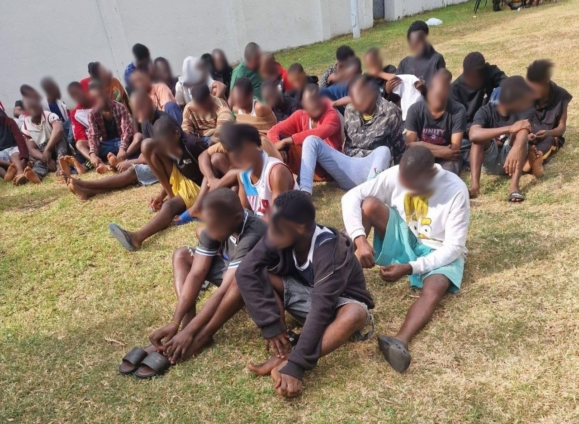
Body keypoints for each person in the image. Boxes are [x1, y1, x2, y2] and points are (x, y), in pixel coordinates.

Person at [341, 146, 469, 373]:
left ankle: (399, 342)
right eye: (403, 182)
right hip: (406, 236)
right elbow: (351, 196)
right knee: (369, 205)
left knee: (436, 286)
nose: (405, 187)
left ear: (430, 175)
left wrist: (411, 267)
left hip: (438, 248)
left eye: (412, 186)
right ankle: (340, 283)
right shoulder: (398, 175)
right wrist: (360, 240)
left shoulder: (455, 190)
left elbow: (454, 247)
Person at [236, 191, 374, 398]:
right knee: (259, 273)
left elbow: (321, 309)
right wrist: (270, 325)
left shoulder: (329, 250)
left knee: (355, 313)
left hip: (338, 306)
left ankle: (291, 354)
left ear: (299, 228)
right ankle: (287, 344)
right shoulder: (282, 235)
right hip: (310, 300)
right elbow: (246, 270)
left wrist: (295, 365)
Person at [133, 189, 268, 377]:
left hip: (260, 286)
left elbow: (224, 290)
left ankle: (202, 337)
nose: (209, 230)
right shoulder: (217, 222)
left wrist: (191, 333)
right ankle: (185, 326)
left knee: (239, 281)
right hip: (230, 270)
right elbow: (197, 274)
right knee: (182, 255)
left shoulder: (254, 233)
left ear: (236, 218)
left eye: (214, 226)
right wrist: (175, 322)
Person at [108, 116, 206, 251]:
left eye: (165, 142)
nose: (164, 147)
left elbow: (211, 174)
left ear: (177, 134)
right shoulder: (171, 144)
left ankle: (136, 238)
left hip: (198, 187)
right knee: (147, 145)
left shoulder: (193, 145)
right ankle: (172, 196)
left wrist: (200, 203)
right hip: (183, 179)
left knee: (169, 206)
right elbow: (175, 170)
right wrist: (161, 195)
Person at [299, 75, 404, 195]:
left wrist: (399, 181)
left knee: (384, 151)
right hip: (348, 165)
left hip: (373, 167)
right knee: (311, 141)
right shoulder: (350, 109)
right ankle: (305, 193)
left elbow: (399, 148)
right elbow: (347, 141)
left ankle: (369, 194)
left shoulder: (390, 111)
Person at [66, 90, 171, 200]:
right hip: (111, 146)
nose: (133, 115)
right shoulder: (146, 123)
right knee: (131, 173)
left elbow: (163, 156)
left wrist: (129, 160)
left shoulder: (162, 123)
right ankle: (88, 191)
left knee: (132, 170)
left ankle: (86, 185)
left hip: (160, 164)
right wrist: (93, 153)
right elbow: (93, 136)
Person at [469, 76, 536, 202]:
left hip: (512, 161)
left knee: (521, 134)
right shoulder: (486, 110)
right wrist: (509, 128)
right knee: (478, 139)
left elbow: (524, 130)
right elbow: (473, 134)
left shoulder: (526, 110)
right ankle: (474, 187)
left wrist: (515, 149)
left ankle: (514, 187)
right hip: (489, 161)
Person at [221, 122, 297, 218]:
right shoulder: (242, 174)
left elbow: (277, 219)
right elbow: (244, 213)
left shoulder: (276, 171)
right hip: (262, 223)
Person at [267, 84, 342, 179]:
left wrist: (287, 141)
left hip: (331, 165)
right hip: (311, 164)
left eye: (315, 104)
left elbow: (318, 134)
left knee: (305, 143)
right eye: (308, 104)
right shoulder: (300, 115)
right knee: (279, 147)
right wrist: (278, 147)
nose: (312, 109)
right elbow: (273, 130)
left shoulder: (331, 116)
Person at [405, 69, 467, 175]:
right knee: (409, 171)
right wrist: (440, 152)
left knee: (446, 175)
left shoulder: (458, 110)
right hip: (428, 154)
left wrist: (421, 145)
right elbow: (410, 146)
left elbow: (454, 150)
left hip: (448, 158)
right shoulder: (414, 109)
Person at [86, 80, 141, 172]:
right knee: (88, 147)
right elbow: (93, 136)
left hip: (122, 142)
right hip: (107, 145)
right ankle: (107, 164)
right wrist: (93, 154)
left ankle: (118, 160)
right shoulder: (92, 113)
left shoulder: (120, 107)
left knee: (138, 137)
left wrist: (122, 148)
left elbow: (126, 131)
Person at [525, 59, 572, 167]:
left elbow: (562, 127)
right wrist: (525, 134)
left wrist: (549, 133)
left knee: (550, 140)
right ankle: (526, 159)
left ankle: (535, 160)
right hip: (530, 134)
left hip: (550, 135)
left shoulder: (561, 95)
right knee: (519, 137)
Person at [451, 52, 507, 130]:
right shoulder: (455, 90)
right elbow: (457, 121)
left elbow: (508, 86)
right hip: (471, 128)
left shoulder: (488, 72)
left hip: (491, 120)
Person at [20, 97, 68, 182]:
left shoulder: (50, 116)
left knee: (60, 141)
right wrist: (46, 159)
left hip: (56, 146)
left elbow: (59, 130)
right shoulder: (26, 125)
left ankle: (61, 165)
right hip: (43, 153)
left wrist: (47, 149)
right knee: (39, 163)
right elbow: (31, 148)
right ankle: (36, 175)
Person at [397, 21, 446, 88]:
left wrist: (424, 90)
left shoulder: (436, 59)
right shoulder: (404, 63)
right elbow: (397, 89)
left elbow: (440, 90)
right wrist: (388, 89)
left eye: (420, 40)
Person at [0, 109, 29, 184]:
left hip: (12, 148)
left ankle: (20, 173)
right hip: (2, 155)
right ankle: (8, 176)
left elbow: (20, 140)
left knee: (14, 156)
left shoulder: (9, 121)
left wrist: (24, 158)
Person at [68, 81, 94, 164]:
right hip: (91, 143)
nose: (76, 97)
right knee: (79, 144)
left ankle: (87, 164)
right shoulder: (75, 113)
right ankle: (95, 161)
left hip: (107, 138)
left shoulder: (98, 102)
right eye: (73, 95)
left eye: (77, 93)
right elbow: (80, 136)